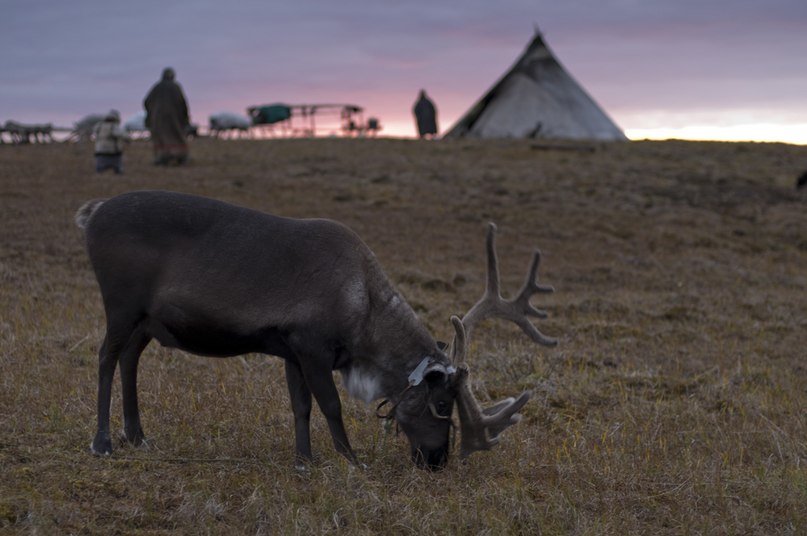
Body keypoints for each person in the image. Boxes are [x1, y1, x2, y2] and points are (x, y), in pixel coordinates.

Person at [144, 67, 190, 165]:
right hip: (174, 118)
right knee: (177, 135)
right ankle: (180, 156)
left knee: (161, 136)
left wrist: (152, 113)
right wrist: (185, 118)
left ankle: (162, 157)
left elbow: (146, 101)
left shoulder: (157, 87)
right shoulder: (175, 87)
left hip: (158, 118)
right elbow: (183, 103)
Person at [92, 110, 128, 174]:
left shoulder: (99, 126)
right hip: (113, 153)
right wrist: (127, 139)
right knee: (118, 171)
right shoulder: (114, 127)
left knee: (100, 172)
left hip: (100, 152)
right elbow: (122, 134)